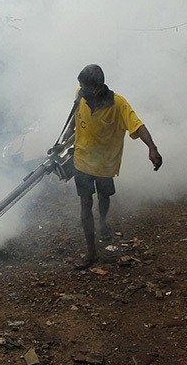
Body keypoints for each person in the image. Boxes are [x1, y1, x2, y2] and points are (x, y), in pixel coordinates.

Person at [63, 64, 162, 269]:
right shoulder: (80, 94)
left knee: (104, 197)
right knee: (85, 203)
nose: (81, 90)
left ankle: (103, 222)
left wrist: (152, 148)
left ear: (98, 87)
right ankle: (91, 251)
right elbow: (76, 112)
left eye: (85, 87)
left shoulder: (118, 104)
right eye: (80, 86)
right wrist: (68, 133)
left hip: (105, 164)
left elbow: (138, 126)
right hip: (81, 159)